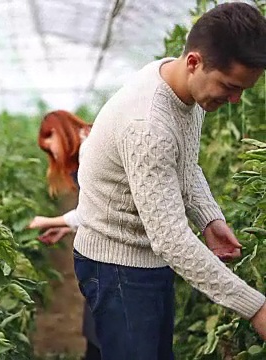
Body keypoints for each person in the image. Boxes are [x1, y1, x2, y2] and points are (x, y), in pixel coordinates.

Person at [72, 3, 266, 359]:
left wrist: (209, 218)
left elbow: (185, 164)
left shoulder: (180, 86)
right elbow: (172, 239)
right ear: (194, 62)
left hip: (146, 256)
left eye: (243, 90)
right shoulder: (148, 125)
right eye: (229, 86)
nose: (235, 99)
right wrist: (255, 307)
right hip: (117, 264)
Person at [27, 110, 100, 359]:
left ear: (59, 131)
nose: (53, 154)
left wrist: (46, 220)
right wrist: (65, 227)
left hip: (114, 254)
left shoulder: (90, 149)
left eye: (50, 146)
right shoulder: (88, 144)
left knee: (103, 329)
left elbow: (96, 212)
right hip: (106, 247)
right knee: (97, 327)